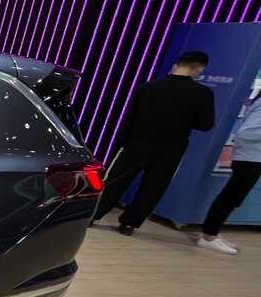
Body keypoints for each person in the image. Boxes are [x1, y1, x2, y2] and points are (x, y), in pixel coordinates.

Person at [93, 50, 216, 235]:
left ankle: (93, 215)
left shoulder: (148, 87)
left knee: (116, 180)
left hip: (137, 143)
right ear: (198, 68)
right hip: (172, 148)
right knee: (153, 187)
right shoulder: (203, 93)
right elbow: (205, 124)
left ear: (177, 65)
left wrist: (122, 143)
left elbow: (130, 118)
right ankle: (129, 224)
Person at [198, 92, 261, 254]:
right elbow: (247, 133)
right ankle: (209, 236)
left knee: (232, 198)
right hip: (250, 157)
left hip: (251, 157)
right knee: (230, 197)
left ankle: (212, 232)